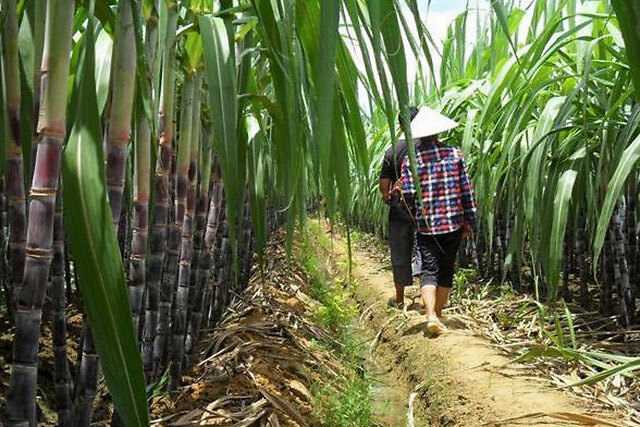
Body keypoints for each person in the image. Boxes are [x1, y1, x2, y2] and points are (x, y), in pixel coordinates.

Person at [394, 106, 477, 336]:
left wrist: (414, 211)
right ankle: (437, 316)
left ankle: (431, 315)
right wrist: (470, 222)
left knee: (429, 269)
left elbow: (408, 195)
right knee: (447, 268)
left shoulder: (412, 161)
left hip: (427, 225)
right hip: (453, 223)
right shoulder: (455, 155)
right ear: (438, 133)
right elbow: (466, 192)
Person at [379, 106, 420, 307]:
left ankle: (400, 298)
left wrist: (387, 197)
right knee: (426, 250)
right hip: (425, 208)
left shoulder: (392, 151)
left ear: (400, 126)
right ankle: (426, 297)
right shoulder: (426, 148)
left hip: (400, 209)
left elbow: (384, 185)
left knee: (400, 251)